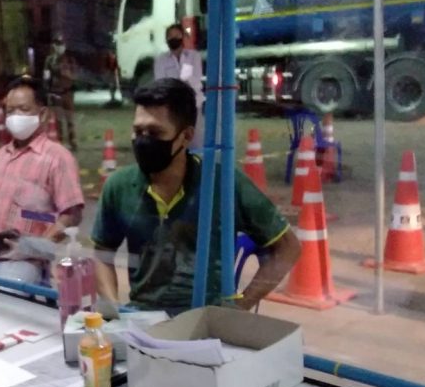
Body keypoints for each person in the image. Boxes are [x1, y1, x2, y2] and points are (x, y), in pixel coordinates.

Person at [92, 78, 300, 314]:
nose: (143, 140)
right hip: (143, 317)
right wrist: (115, 311)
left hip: (207, 318)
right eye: (138, 131)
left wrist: (240, 305)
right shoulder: (119, 187)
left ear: (186, 136)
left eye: (155, 132)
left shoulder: (222, 183)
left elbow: (288, 247)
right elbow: (102, 253)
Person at [0, 76, 85, 284]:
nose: (15, 116)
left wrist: (33, 248)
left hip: (23, 262)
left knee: (7, 294)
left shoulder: (57, 158)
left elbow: (72, 214)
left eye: (23, 109)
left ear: (43, 114)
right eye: (10, 111)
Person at [154, 22, 205, 148]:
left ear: (182, 37)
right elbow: (161, 83)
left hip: (193, 104)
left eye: (177, 36)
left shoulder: (193, 56)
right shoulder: (161, 60)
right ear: (166, 39)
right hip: (172, 106)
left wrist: (184, 77)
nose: (173, 39)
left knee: (195, 140)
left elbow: (196, 80)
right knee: (175, 140)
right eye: (170, 37)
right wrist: (182, 80)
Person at [44, 34, 77, 150]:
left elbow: (74, 75)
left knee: (70, 119)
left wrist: (64, 72)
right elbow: (46, 77)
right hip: (56, 93)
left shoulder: (70, 59)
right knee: (58, 120)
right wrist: (47, 90)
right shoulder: (50, 60)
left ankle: (72, 141)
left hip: (68, 93)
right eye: (57, 44)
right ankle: (60, 142)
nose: (59, 47)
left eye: (61, 44)